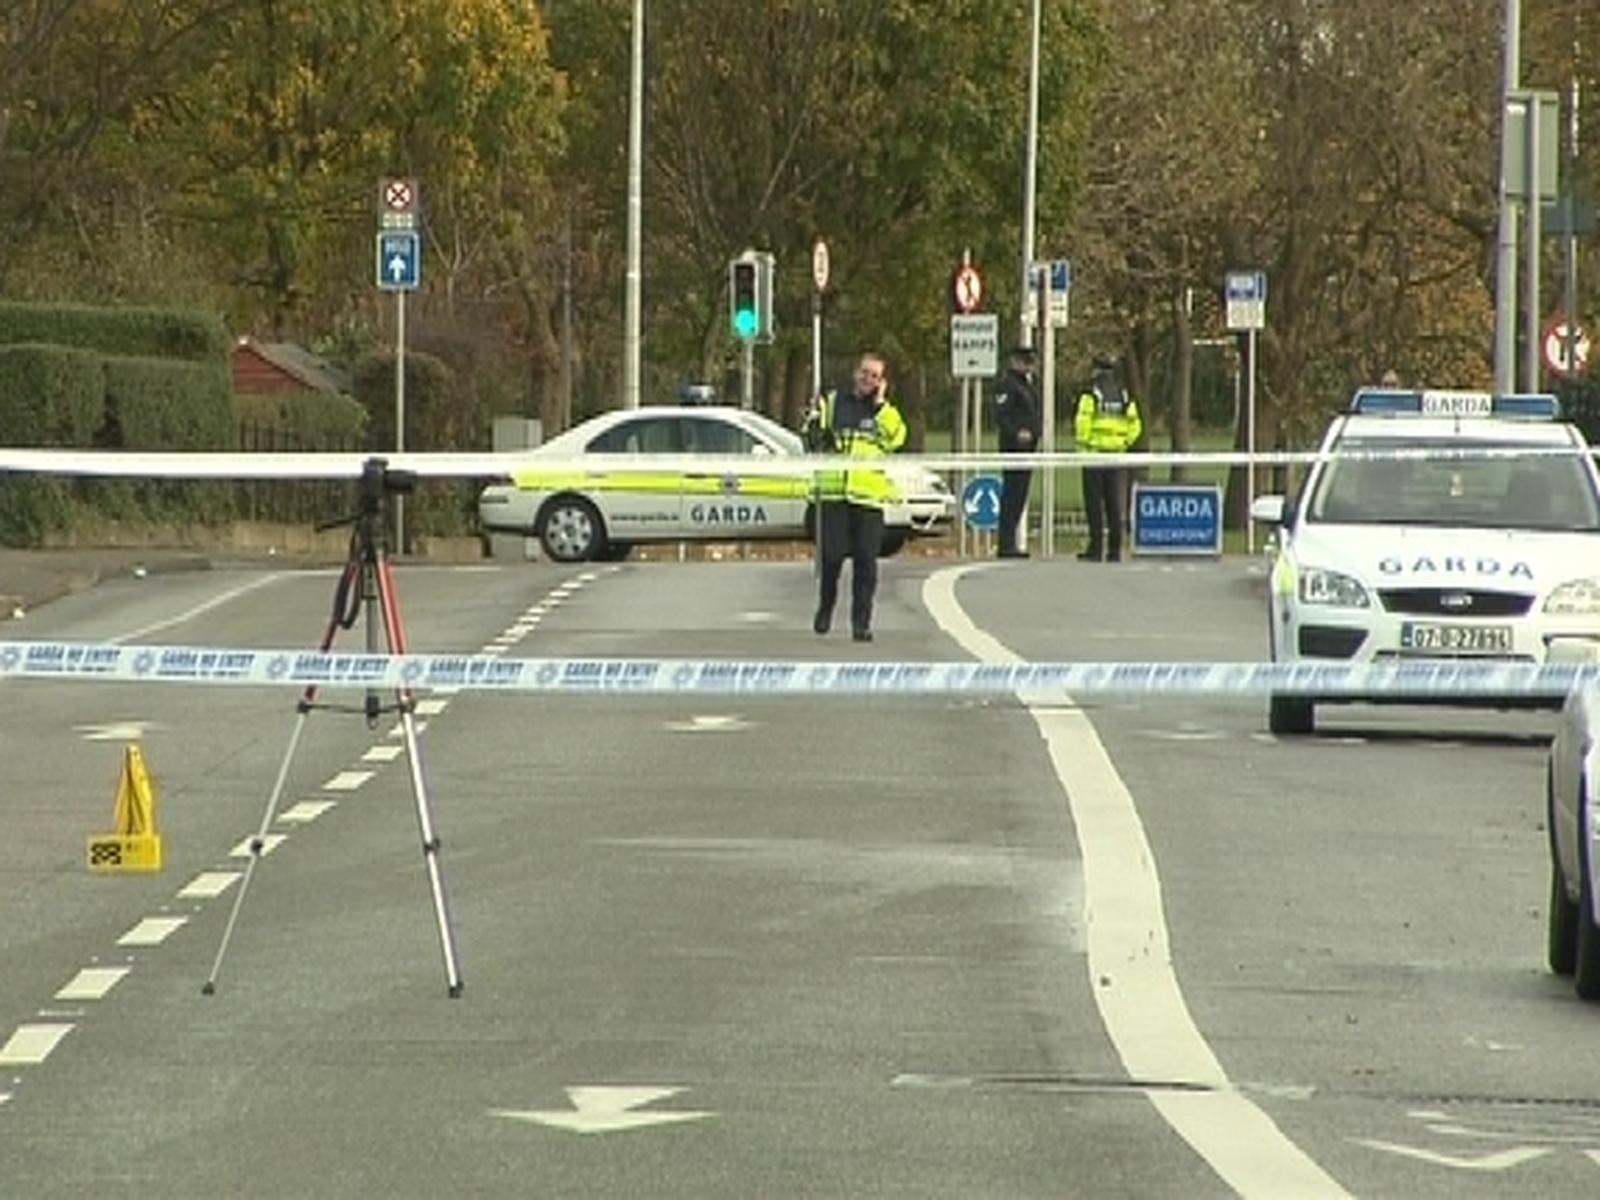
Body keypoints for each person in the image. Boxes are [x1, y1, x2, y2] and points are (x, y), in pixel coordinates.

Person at [802, 351, 908, 641]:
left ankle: (861, 623)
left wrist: (880, 406)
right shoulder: (833, 403)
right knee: (832, 558)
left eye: (874, 376)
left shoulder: (885, 413)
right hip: (834, 494)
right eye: (864, 372)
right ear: (855, 373)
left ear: (881, 382)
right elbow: (810, 438)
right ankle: (826, 607)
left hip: (868, 498)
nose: (867, 379)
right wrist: (812, 430)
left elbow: (897, 438)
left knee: (866, 563)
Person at [1073, 355, 1142, 562]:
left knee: (1094, 503)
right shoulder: (1122, 395)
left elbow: (1082, 423)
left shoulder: (1091, 394)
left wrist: (1083, 445)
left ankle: (1095, 549)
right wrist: (1123, 443)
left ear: (1096, 371)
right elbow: (1135, 424)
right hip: (1116, 456)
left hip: (1094, 455)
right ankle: (1115, 549)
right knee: (1113, 503)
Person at [992, 344, 1042, 558]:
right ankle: (1006, 544)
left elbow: (1034, 413)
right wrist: (1016, 434)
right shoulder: (1007, 384)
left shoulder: (1028, 385)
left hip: (1028, 448)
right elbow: (1001, 416)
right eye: (1025, 361)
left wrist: (1035, 432)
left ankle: (1011, 542)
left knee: (1020, 494)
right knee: (1012, 494)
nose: (1029, 366)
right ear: (1015, 361)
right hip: (1014, 447)